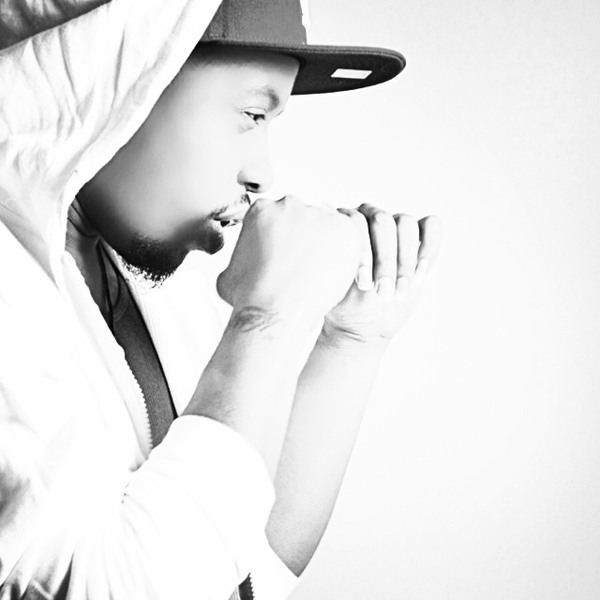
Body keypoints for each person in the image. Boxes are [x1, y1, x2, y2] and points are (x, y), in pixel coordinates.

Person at [0, 1, 441, 599]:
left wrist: (352, 339)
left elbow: (243, 571)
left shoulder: (142, 280)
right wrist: (266, 323)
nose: (263, 174)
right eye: (252, 114)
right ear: (116, 77)